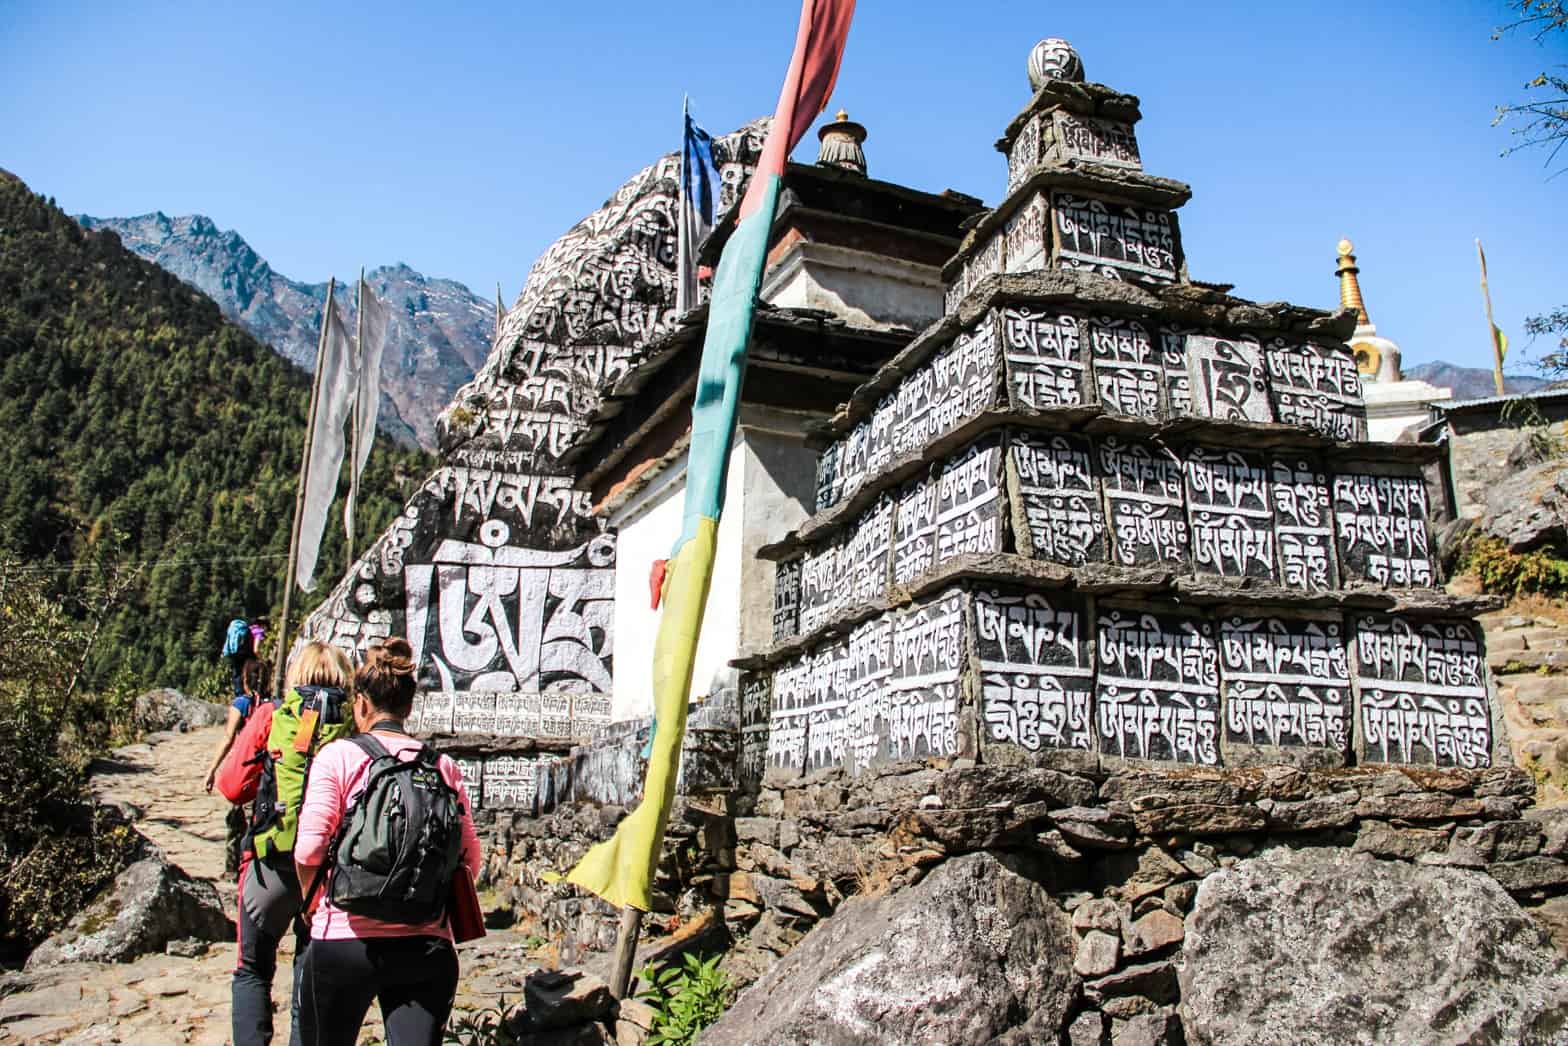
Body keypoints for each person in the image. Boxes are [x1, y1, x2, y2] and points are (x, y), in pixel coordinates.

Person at [294, 638, 481, 1046]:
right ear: (408, 707)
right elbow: (471, 860)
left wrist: (311, 897)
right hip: (426, 943)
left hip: (346, 937)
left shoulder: (338, 756)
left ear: (360, 704)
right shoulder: (442, 766)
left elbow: (308, 848)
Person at [216, 641, 355, 1046]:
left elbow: (231, 786)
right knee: (309, 977)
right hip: (330, 873)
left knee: (252, 971)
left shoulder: (272, 714)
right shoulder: (354, 724)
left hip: (269, 866)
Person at [205, 657, 272, 878]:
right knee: (258, 819)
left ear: (245, 680)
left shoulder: (241, 704)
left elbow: (228, 738)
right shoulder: (273, 705)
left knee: (236, 821)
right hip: (265, 773)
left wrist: (212, 770)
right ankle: (252, 866)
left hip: (242, 771)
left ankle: (233, 868)